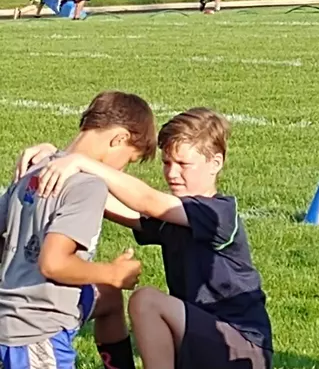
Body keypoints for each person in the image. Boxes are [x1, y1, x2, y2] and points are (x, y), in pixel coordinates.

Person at [30, 109, 274, 369]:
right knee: (121, 296)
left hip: (242, 347)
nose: (171, 173)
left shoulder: (218, 213)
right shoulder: (176, 218)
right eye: (167, 162)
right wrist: (54, 160)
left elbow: (148, 202)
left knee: (145, 300)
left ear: (215, 163)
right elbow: (111, 205)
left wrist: (82, 161)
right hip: (199, 337)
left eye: (183, 164)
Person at [0, 91, 157, 369]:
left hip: (8, 312)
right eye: (128, 160)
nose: (123, 171)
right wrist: (114, 273)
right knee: (109, 283)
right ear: (118, 138)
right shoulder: (88, 186)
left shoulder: (33, 168)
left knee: (106, 296)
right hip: (36, 331)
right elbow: (54, 264)